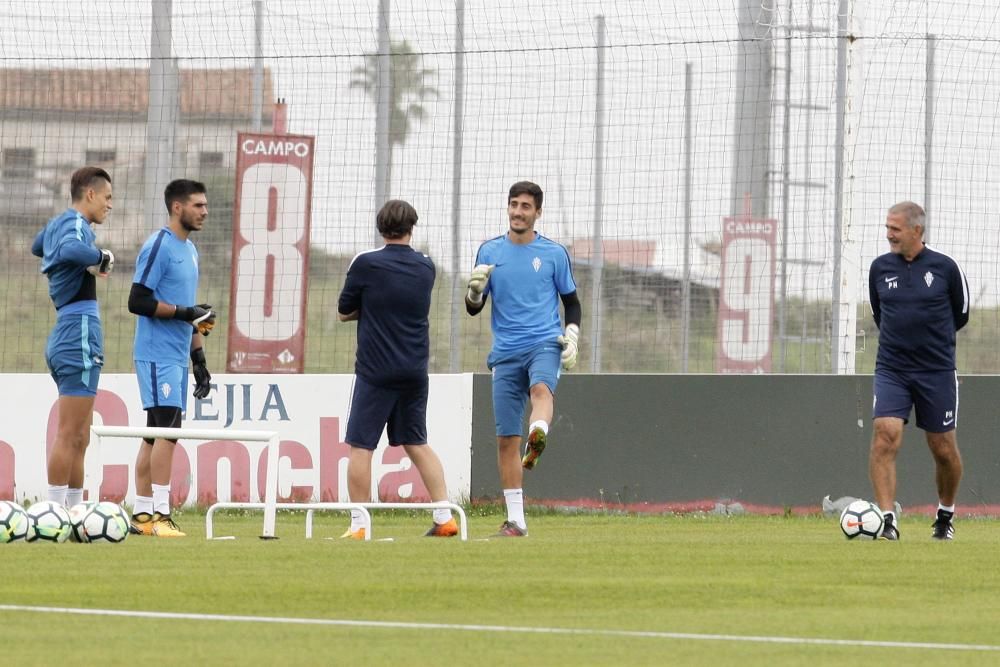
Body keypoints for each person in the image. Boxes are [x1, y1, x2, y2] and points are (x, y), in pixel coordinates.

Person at [466, 181, 581, 537]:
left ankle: (540, 432)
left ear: (537, 213)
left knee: (541, 391)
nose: (518, 211)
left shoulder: (553, 254)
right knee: (505, 440)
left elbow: (572, 302)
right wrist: (473, 291)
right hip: (504, 353)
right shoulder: (489, 251)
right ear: (508, 208)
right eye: (514, 204)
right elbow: (474, 309)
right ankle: (516, 520)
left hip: (544, 342)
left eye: (526, 206)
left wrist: (573, 334)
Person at [337, 199, 457, 539]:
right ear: (411, 227)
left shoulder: (366, 263)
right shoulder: (427, 267)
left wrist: (370, 309)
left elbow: (344, 311)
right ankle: (444, 516)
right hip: (415, 370)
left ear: (380, 228)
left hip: (376, 371)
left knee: (361, 446)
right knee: (417, 442)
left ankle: (359, 524)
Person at [868, 201, 969, 541]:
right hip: (892, 368)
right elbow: (880, 314)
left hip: (936, 370)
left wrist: (931, 343)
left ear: (917, 231)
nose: (889, 235)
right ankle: (886, 521)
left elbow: (961, 313)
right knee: (885, 435)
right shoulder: (879, 268)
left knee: (942, 448)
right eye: (887, 227)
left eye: (895, 229)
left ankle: (945, 514)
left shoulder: (945, 268)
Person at [126, 179, 216, 538]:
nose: (205, 212)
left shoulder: (190, 250)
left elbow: (190, 311)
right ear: (177, 208)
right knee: (167, 429)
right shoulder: (159, 245)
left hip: (177, 356)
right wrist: (185, 312)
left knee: (154, 434)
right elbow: (138, 301)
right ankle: (161, 513)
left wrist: (200, 360)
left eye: (206, 205)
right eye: (198, 205)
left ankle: (144, 516)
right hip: (154, 354)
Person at [31, 166, 115, 509]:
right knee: (70, 434)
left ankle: (74, 512)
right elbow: (68, 250)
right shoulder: (77, 225)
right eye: (107, 198)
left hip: (69, 330)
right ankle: (53, 513)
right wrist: (101, 257)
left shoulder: (63, 222)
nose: (110, 205)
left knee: (80, 436)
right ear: (90, 194)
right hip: (77, 331)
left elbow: (40, 245)